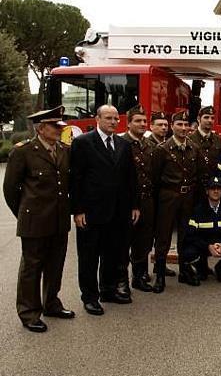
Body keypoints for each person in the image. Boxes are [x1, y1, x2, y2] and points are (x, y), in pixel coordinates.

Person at [3, 106, 74, 332]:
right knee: (32, 268)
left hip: (59, 219)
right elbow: (11, 190)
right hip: (35, 220)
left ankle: (51, 303)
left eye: (60, 126)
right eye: (55, 126)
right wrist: (25, 213)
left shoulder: (63, 150)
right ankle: (29, 312)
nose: (59, 130)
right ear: (41, 128)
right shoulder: (23, 152)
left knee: (56, 264)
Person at [71, 105, 139, 315]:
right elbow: (76, 179)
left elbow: (131, 178)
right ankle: (90, 297)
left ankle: (108, 290)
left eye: (115, 119)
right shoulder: (83, 143)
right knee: (89, 257)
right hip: (91, 212)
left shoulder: (123, 144)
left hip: (117, 212)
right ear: (97, 119)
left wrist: (134, 205)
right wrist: (78, 210)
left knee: (112, 254)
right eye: (108, 118)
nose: (112, 122)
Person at [151, 109, 202, 293]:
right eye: (179, 124)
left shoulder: (194, 148)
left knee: (185, 236)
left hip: (187, 198)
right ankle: (160, 277)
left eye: (186, 125)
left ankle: (183, 271)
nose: (183, 128)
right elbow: (155, 179)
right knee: (163, 237)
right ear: (172, 127)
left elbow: (196, 175)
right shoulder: (162, 149)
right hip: (168, 197)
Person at [121, 105, 155, 292]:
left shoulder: (149, 145)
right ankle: (122, 281)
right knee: (124, 242)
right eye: (138, 121)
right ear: (128, 123)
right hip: (127, 203)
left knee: (143, 242)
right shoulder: (120, 144)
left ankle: (139, 276)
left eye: (144, 121)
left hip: (147, 200)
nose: (142, 124)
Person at [181, 176, 221, 286]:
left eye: (218, 188)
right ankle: (202, 268)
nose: (216, 191)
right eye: (212, 188)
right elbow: (190, 235)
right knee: (188, 251)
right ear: (207, 191)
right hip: (205, 245)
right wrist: (207, 246)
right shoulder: (198, 209)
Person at [188, 106, 221, 187]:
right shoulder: (189, 140)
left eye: (212, 118)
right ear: (198, 118)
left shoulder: (218, 140)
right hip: (195, 187)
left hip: (213, 187)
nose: (210, 120)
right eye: (206, 117)